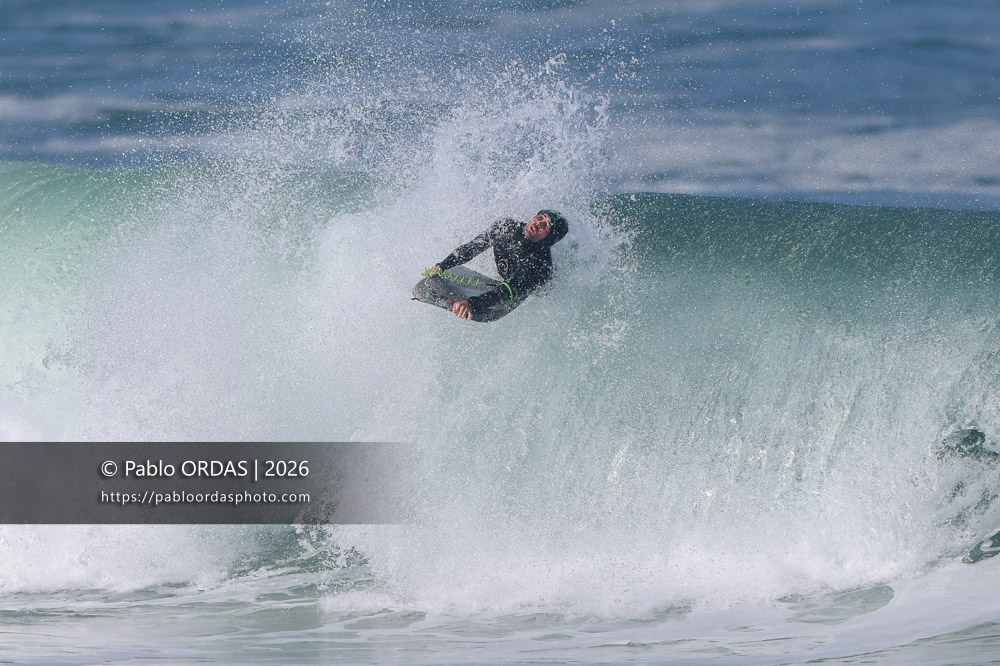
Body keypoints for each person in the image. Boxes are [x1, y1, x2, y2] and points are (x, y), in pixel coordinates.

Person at [429, 210, 569, 320]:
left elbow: (509, 291)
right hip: (509, 279)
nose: (538, 223)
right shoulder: (506, 228)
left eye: (546, 225)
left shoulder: (540, 266)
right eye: (540, 217)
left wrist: (472, 304)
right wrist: (443, 265)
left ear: (549, 238)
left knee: (517, 286)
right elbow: (472, 248)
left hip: (526, 289)